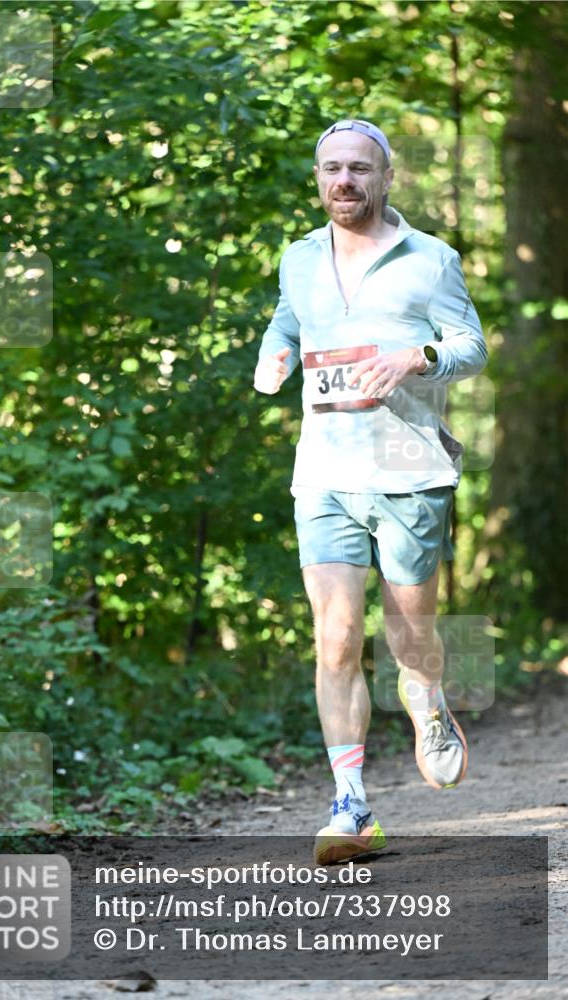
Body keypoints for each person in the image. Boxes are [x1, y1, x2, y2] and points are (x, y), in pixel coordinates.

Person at [254, 119, 487, 865]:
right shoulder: (297, 258)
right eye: (330, 169)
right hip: (322, 470)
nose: (343, 181)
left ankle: (424, 696)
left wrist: (413, 358)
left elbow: (469, 346)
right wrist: (277, 355)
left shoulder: (430, 259)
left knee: (408, 636)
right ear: (317, 178)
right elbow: (288, 322)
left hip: (407, 467)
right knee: (335, 637)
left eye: (358, 168)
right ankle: (350, 807)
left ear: (386, 178)